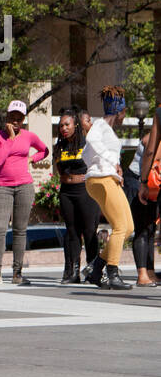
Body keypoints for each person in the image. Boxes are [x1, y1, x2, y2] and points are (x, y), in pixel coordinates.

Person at [0, 100, 48, 285]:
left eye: (19, 119)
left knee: (20, 231)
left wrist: (31, 159)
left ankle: (17, 274)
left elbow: (44, 150)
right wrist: (11, 139)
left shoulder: (29, 136)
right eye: (12, 117)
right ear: (7, 118)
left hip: (24, 186)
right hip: (3, 186)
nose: (15, 122)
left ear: (24, 120)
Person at [81, 86, 134, 289]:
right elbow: (90, 140)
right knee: (120, 227)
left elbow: (87, 154)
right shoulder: (101, 125)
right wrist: (111, 161)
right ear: (119, 110)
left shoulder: (106, 130)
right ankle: (112, 273)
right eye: (124, 111)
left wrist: (109, 164)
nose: (125, 115)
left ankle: (95, 269)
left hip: (103, 179)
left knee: (128, 227)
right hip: (102, 180)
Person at [52, 108, 98, 284]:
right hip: (67, 192)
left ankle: (93, 271)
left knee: (89, 232)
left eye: (67, 124)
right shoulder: (60, 146)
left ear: (75, 125)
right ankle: (72, 271)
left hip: (86, 191)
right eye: (61, 125)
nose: (63, 128)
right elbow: (59, 170)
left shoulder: (87, 143)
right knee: (71, 233)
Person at [130, 109, 160, 286]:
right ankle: (142, 274)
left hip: (153, 183)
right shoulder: (151, 136)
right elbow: (152, 153)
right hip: (138, 179)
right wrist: (142, 182)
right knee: (142, 228)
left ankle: (150, 272)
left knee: (150, 229)